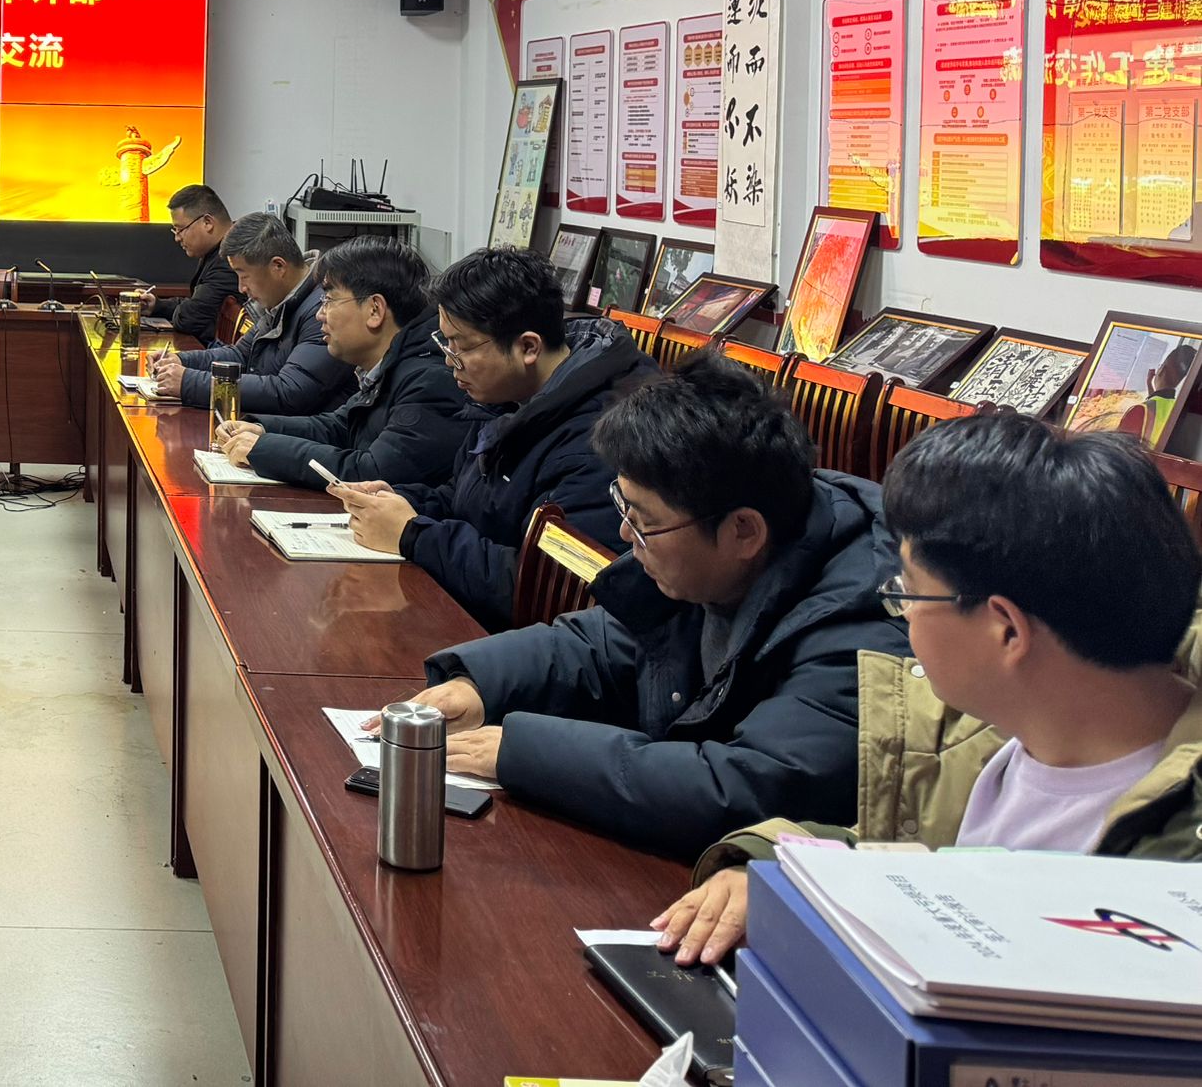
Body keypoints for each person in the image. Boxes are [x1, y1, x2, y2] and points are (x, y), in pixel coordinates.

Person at [655, 414, 1202, 966]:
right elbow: (909, 860)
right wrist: (770, 865)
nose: (903, 615)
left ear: (1006, 630)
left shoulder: (1178, 860)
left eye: (909, 593)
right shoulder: (997, 733)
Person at [388, 356, 906, 861]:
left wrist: (521, 752)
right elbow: (610, 641)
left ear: (743, 531)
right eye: (624, 505)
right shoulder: (727, 549)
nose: (624, 532)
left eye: (644, 520)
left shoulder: (861, 629)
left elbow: (746, 789)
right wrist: (479, 685)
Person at [334, 247, 652, 631]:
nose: (449, 360)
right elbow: (461, 499)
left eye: (462, 346)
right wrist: (400, 501)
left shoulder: (600, 442)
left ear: (528, 347)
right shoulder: (509, 397)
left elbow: (548, 587)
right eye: (445, 343)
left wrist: (414, 534)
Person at [213, 236, 470, 491]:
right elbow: (338, 427)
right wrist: (259, 429)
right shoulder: (391, 365)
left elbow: (373, 473)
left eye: (329, 300)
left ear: (375, 310)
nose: (319, 314)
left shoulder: (430, 380)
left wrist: (264, 449)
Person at [148, 212, 357, 418]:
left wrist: (189, 382)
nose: (241, 288)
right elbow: (240, 356)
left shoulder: (322, 312)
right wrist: (181, 360)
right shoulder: (281, 300)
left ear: (278, 266)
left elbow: (291, 392)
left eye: (244, 276)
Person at [153, 183, 238, 344]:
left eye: (180, 229)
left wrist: (181, 310)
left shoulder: (231, 259)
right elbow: (196, 304)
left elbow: (190, 318)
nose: (177, 238)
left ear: (207, 222)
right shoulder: (216, 251)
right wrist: (156, 306)